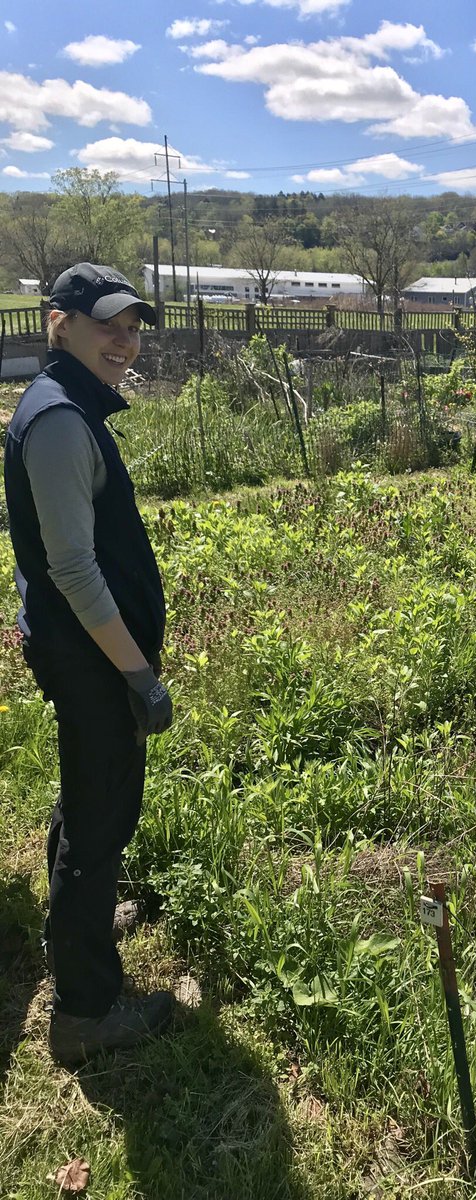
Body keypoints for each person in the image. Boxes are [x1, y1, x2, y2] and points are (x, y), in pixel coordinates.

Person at [3, 264, 175, 1066]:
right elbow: (72, 568)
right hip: (94, 659)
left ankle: (78, 925)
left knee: (88, 795)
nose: (123, 340)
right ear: (59, 323)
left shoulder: (61, 403)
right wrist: (138, 675)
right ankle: (85, 1010)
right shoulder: (61, 419)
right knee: (101, 817)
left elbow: (47, 548)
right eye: (107, 323)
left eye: (133, 328)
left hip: (81, 648)